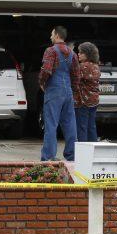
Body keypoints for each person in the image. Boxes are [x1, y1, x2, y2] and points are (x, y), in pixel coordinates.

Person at [39, 26, 80, 161]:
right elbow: (76, 76)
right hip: (67, 91)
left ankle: (48, 156)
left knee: (51, 124)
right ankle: (72, 155)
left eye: (52, 34)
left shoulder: (51, 51)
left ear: (56, 35)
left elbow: (46, 70)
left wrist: (42, 83)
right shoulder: (72, 54)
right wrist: (72, 91)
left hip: (54, 90)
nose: (50, 37)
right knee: (70, 124)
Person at [74, 42, 101, 142]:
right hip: (94, 101)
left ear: (87, 54)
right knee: (91, 126)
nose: (78, 54)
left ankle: (83, 152)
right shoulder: (95, 66)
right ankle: (93, 149)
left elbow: (73, 79)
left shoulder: (83, 67)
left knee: (82, 127)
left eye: (81, 52)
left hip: (83, 102)